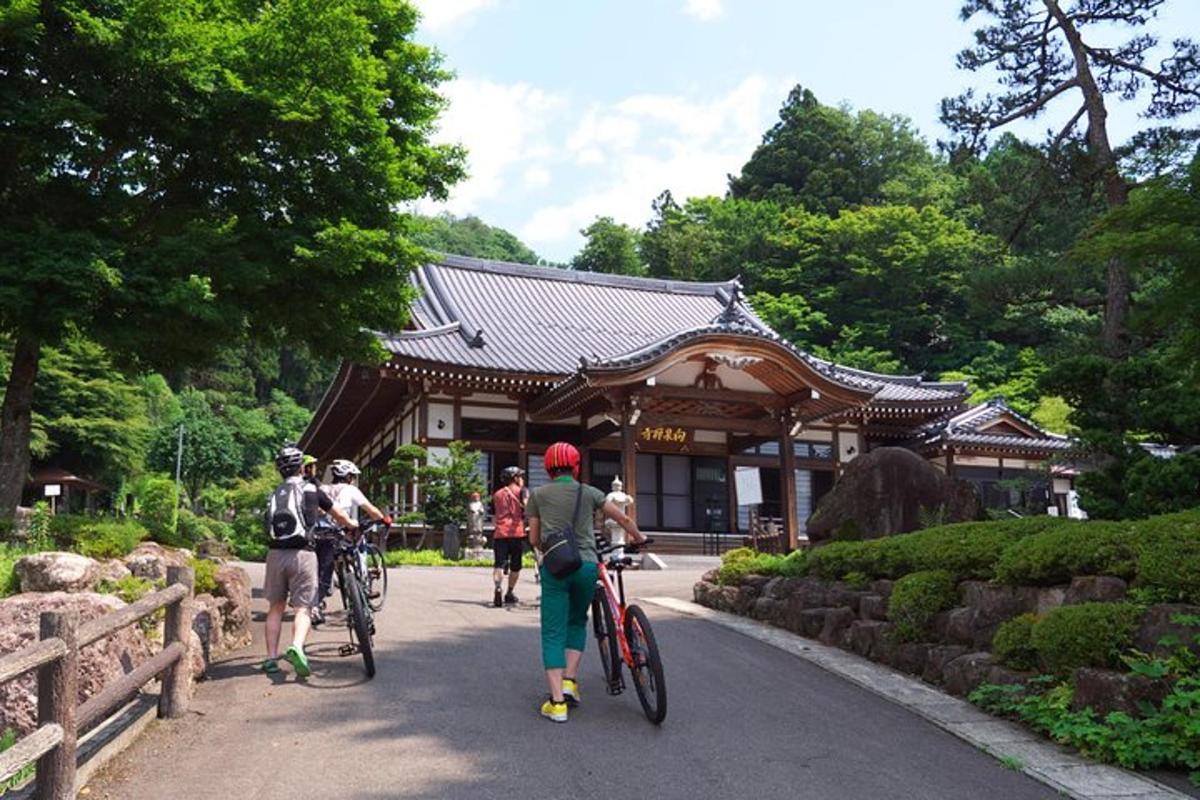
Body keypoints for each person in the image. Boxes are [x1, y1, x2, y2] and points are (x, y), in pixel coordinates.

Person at [527, 442, 643, 723]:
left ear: (548, 467)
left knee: (553, 631)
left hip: (557, 567)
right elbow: (623, 517)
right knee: (577, 621)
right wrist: (638, 539)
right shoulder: (590, 492)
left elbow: (533, 539)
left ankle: (557, 705)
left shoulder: (539, 495)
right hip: (588, 566)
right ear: (575, 465)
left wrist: (543, 549)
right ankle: (570, 682)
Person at [263, 445, 354, 677]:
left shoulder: (274, 493)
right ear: (301, 467)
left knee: (275, 608)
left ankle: (271, 658)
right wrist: (351, 525)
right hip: (303, 553)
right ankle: (297, 646)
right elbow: (338, 514)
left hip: (275, 555)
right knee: (303, 607)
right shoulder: (311, 489)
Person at [312, 458, 392, 625]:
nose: (354, 480)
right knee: (358, 542)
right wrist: (383, 520)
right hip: (341, 532)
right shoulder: (351, 490)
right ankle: (363, 581)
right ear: (348, 477)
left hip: (318, 534)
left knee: (322, 568)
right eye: (353, 476)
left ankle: (318, 601)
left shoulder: (321, 488)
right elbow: (372, 511)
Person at [490, 466, 526, 607]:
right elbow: (528, 507)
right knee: (515, 566)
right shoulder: (522, 491)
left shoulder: (497, 494)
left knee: (499, 564)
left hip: (500, 532)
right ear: (515, 478)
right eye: (520, 477)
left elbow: (494, 514)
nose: (522, 479)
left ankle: (498, 587)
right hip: (516, 532)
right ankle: (509, 592)